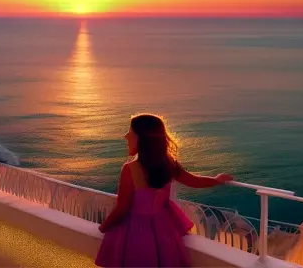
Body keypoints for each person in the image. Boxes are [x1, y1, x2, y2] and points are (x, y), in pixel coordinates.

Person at [95, 113, 234, 267]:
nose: (126, 136)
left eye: (130, 132)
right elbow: (193, 181)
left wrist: (103, 227)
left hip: (135, 231)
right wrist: (216, 180)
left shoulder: (130, 169)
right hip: (164, 228)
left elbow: (122, 208)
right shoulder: (168, 163)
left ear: (142, 138)